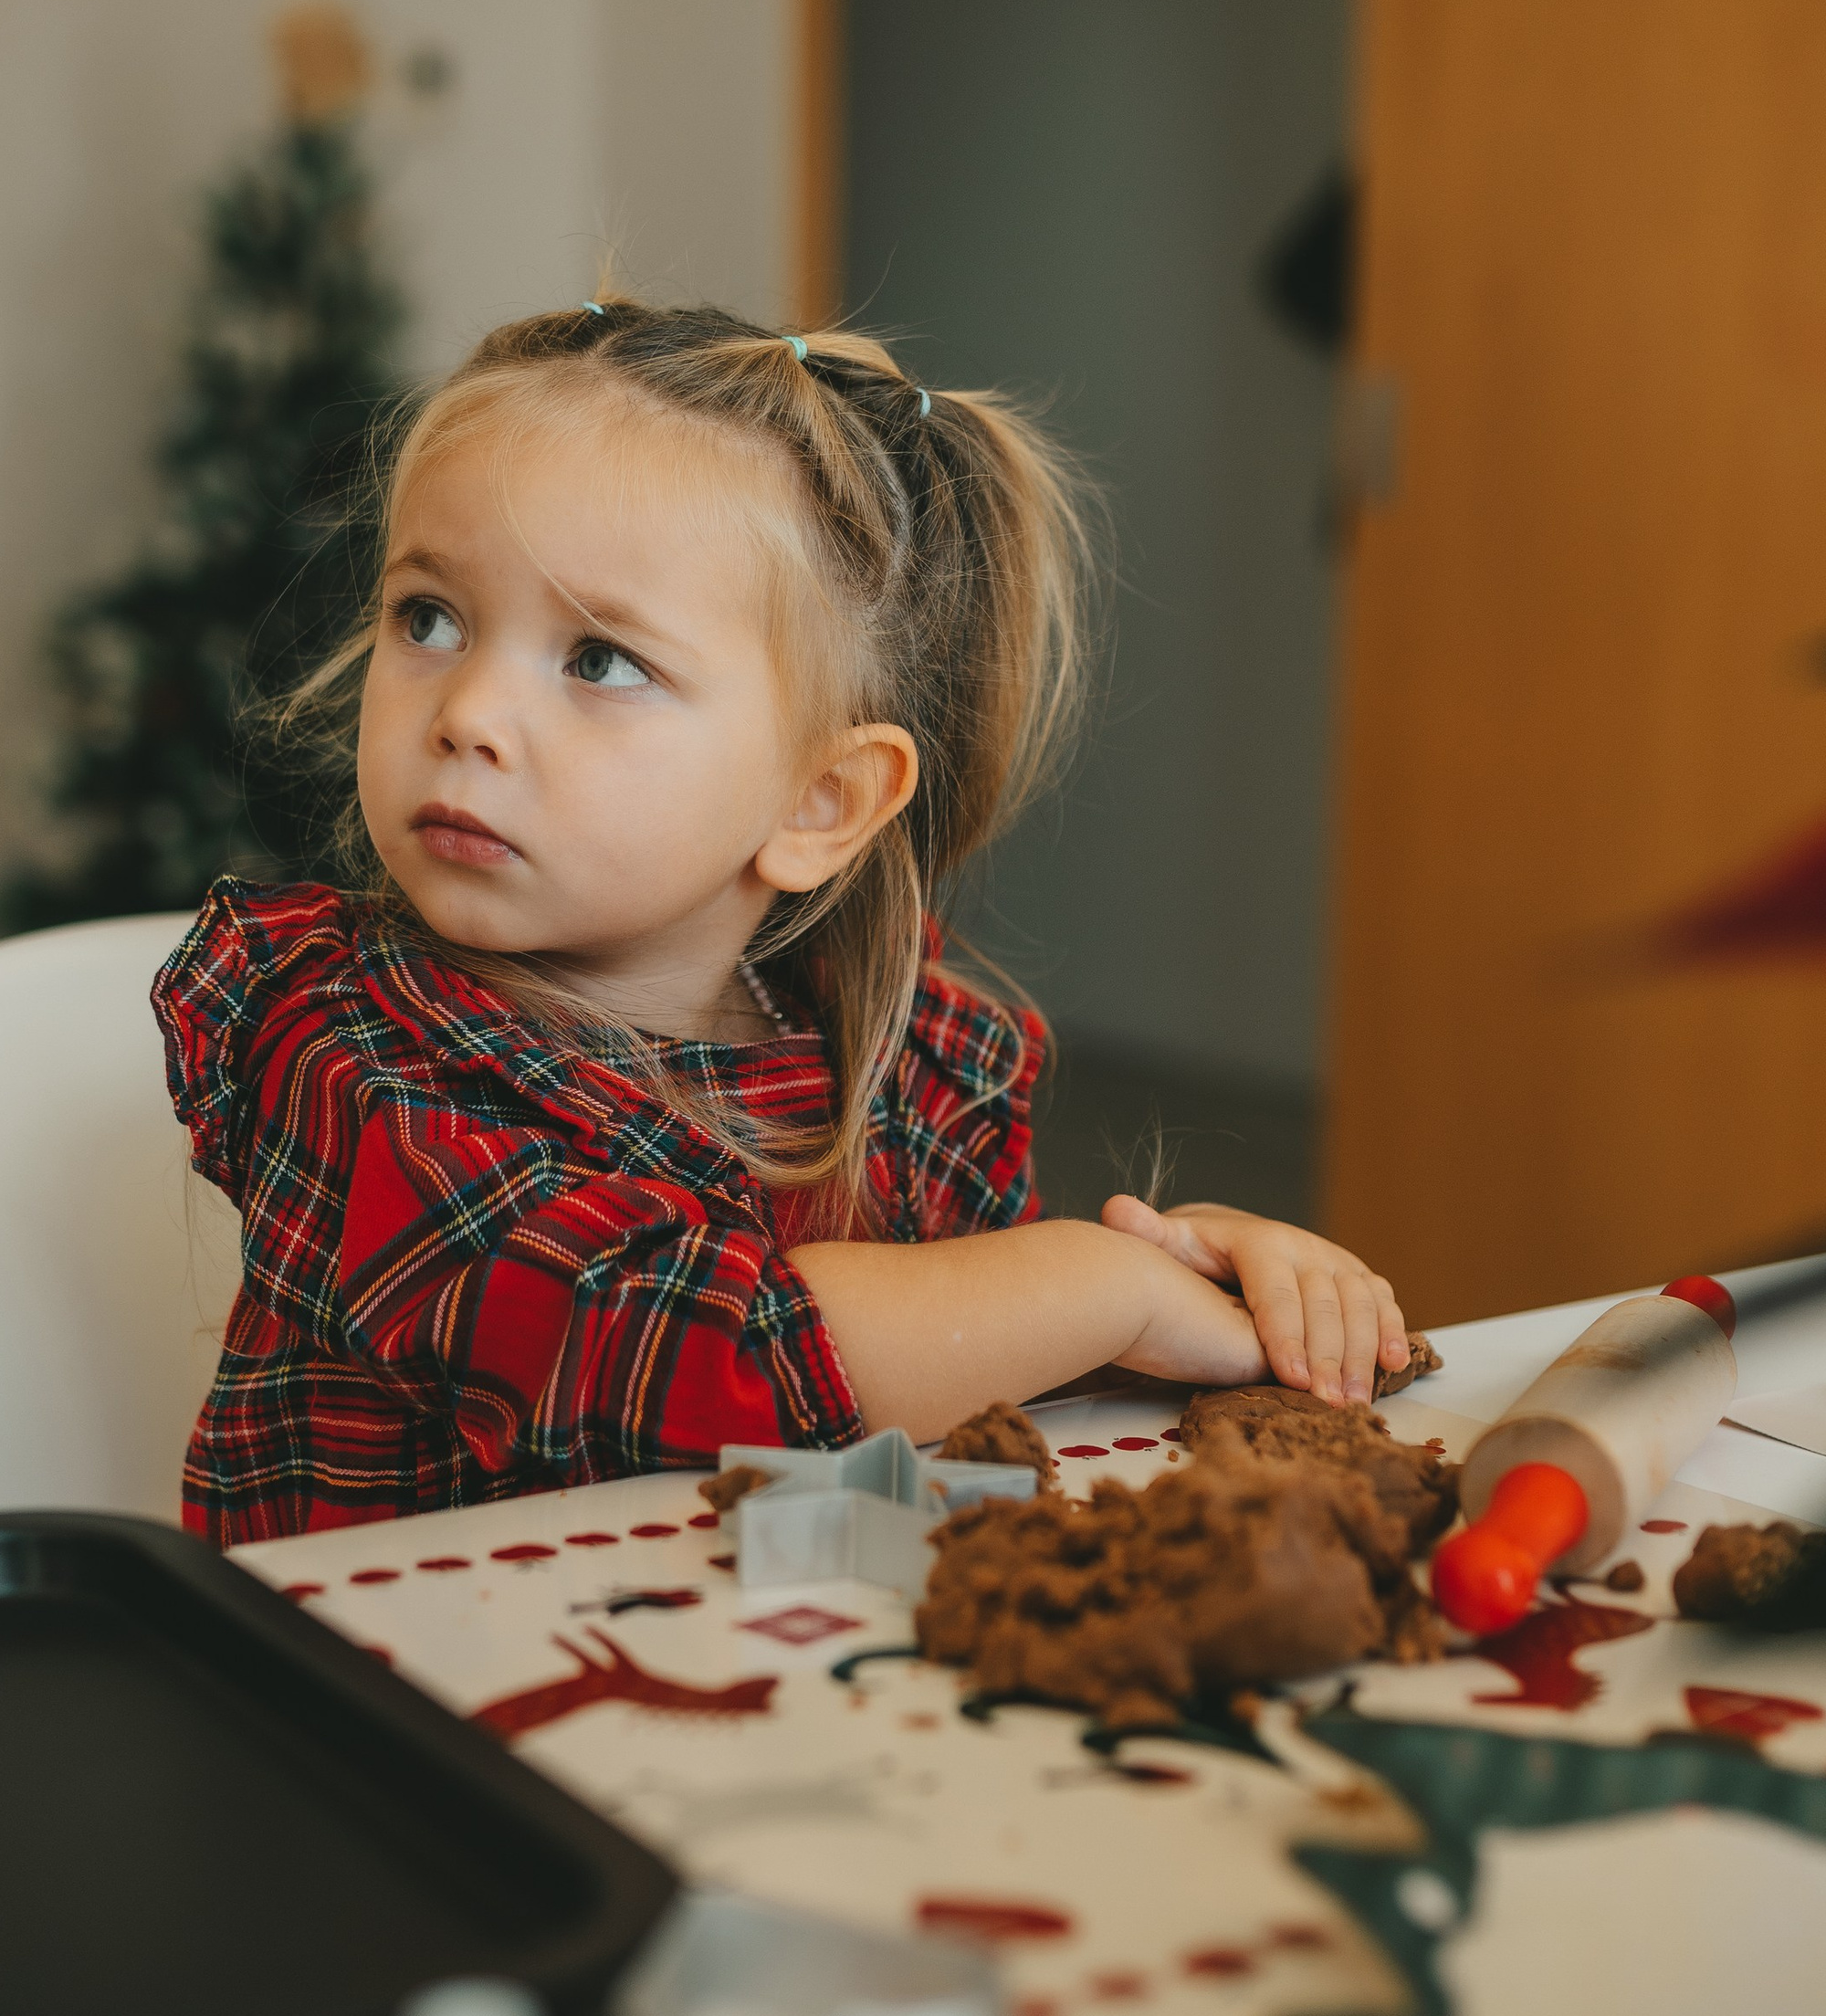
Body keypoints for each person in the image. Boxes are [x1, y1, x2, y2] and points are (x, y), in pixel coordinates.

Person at [154, 299, 1406, 1543]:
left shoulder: (904, 1058)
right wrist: (1102, 1288)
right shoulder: (339, 1047)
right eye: (428, 617)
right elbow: (685, 1363)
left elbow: (949, 1412)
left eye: (598, 660)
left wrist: (1189, 1283)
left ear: (819, 801)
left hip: (743, 1686)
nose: (468, 710)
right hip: (370, 1704)